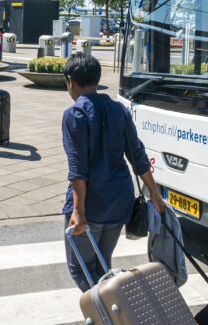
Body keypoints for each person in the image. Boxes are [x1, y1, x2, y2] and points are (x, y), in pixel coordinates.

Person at [61, 53, 166, 292]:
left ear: (70, 81)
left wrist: (78, 211)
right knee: (102, 264)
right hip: (120, 203)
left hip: (92, 205)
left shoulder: (74, 114)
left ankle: (110, 314)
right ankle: (114, 311)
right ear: (96, 80)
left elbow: (78, 168)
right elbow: (138, 156)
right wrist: (155, 195)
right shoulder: (119, 110)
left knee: (81, 269)